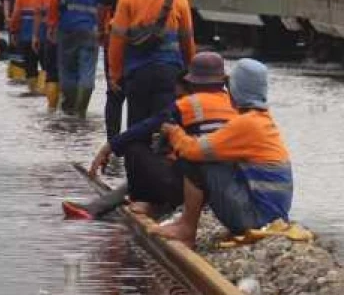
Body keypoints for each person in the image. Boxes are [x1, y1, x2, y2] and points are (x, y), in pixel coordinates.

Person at [71, 52, 237, 220]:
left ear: (191, 83)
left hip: (192, 187)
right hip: (228, 187)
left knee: (134, 148)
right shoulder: (236, 104)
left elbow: (144, 127)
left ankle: (146, 203)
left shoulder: (186, 105)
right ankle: (116, 203)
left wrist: (108, 147)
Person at [154, 59, 293, 246]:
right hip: (271, 218)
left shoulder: (246, 124)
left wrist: (174, 132)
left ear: (236, 90)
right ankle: (184, 223)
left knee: (195, 160)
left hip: (256, 220)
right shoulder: (261, 119)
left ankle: (186, 229)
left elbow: (193, 150)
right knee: (211, 157)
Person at [108, 0, 196, 129]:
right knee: (164, 126)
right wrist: (191, 73)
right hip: (168, 73)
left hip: (137, 73)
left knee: (136, 125)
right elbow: (187, 40)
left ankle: (133, 156)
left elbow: (117, 40)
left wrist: (115, 74)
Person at [98, 0, 162, 144]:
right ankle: (140, 144)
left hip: (117, 41)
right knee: (143, 97)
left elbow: (102, 6)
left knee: (115, 94)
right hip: (150, 48)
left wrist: (101, 32)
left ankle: (113, 142)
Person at [48, 0, 108, 117]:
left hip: (67, 27)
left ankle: (69, 109)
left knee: (67, 69)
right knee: (87, 69)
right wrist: (103, 31)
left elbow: (54, 0)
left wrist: (52, 24)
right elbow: (107, 7)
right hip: (92, 29)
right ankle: (81, 111)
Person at [37, 0, 73, 111]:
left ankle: (51, 109)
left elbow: (39, 11)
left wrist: (36, 36)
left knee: (51, 73)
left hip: (49, 32)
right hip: (69, 31)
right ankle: (69, 110)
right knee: (69, 72)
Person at [9, 0, 49, 95]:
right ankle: (45, 95)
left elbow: (16, 13)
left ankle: (32, 93)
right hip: (46, 35)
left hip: (26, 35)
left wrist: (13, 31)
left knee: (30, 68)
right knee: (47, 67)